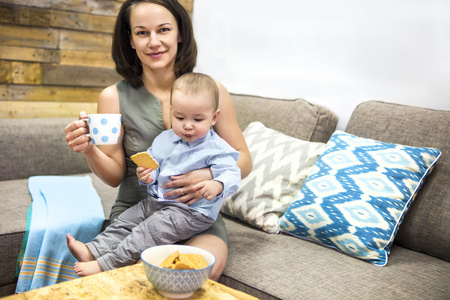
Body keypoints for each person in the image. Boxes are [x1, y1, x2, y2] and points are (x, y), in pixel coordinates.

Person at [64, 0, 252, 280]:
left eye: (163, 29)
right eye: (142, 33)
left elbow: (243, 159)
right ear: (130, 40)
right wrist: (89, 150)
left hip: (195, 214)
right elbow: (115, 176)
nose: (154, 42)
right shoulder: (113, 97)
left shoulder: (214, 92)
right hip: (139, 209)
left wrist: (208, 174)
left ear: (180, 34)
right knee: (140, 276)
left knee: (199, 269)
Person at [67, 73, 241, 276]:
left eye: (198, 119)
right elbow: (153, 162)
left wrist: (217, 184)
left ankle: (106, 264)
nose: (187, 125)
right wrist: (147, 174)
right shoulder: (164, 139)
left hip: (191, 212)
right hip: (156, 202)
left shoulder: (216, 147)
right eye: (180, 117)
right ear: (171, 112)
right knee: (128, 220)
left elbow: (232, 171)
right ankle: (93, 250)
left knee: (148, 230)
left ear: (214, 118)